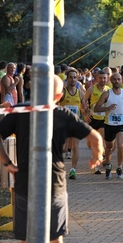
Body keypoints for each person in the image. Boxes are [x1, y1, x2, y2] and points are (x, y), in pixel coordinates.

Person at [0, 75, 103, 243]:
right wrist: (97, 156)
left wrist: (7, 163)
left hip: (25, 183)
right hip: (54, 185)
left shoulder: (20, 111)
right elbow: (96, 138)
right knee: (55, 237)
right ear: (59, 96)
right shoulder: (62, 114)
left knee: (27, 238)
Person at [94, 73, 123, 179]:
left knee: (120, 145)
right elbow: (96, 108)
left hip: (122, 124)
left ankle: (119, 167)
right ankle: (109, 165)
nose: (116, 81)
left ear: (122, 80)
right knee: (109, 147)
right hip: (109, 124)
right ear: (111, 80)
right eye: (114, 79)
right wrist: (107, 108)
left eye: (118, 79)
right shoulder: (106, 94)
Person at [59, 69, 89, 179]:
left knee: (75, 146)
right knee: (63, 148)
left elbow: (84, 108)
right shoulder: (62, 92)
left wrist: (86, 112)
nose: (73, 79)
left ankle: (73, 170)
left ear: (77, 79)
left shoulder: (80, 93)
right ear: (67, 79)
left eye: (75, 77)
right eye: (71, 77)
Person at [83, 70, 110, 174]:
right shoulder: (91, 89)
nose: (102, 80)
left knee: (101, 141)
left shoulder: (109, 90)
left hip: (104, 119)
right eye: (101, 78)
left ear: (107, 79)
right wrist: (85, 113)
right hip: (93, 119)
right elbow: (83, 102)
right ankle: (96, 161)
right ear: (96, 78)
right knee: (93, 144)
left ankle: (98, 163)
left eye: (104, 78)